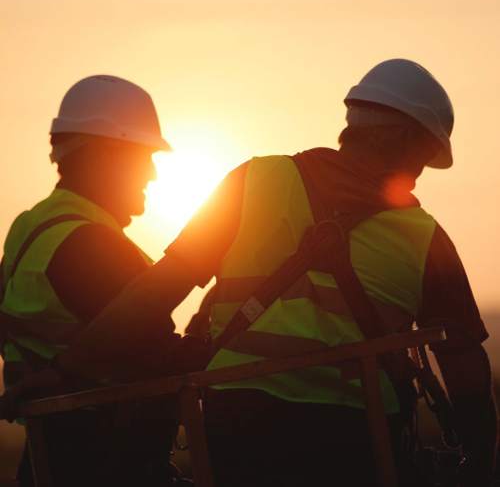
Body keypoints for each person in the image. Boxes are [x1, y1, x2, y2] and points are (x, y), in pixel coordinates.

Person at [5, 60, 498, 486]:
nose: (418, 178)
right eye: (424, 161)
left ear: (352, 125)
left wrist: (63, 371)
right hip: (359, 440)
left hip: (235, 434)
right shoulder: (427, 237)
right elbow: (463, 364)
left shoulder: (252, 180)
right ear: (413, 144)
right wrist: (480, 460)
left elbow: (154, 291)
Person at [0, 75, 182, 486]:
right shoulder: (91, 243)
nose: (152, 175)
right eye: (144, 156)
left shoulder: (30, 227)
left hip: (51, 455)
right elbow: (161, 359)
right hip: (106, 461)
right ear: (104, 156)